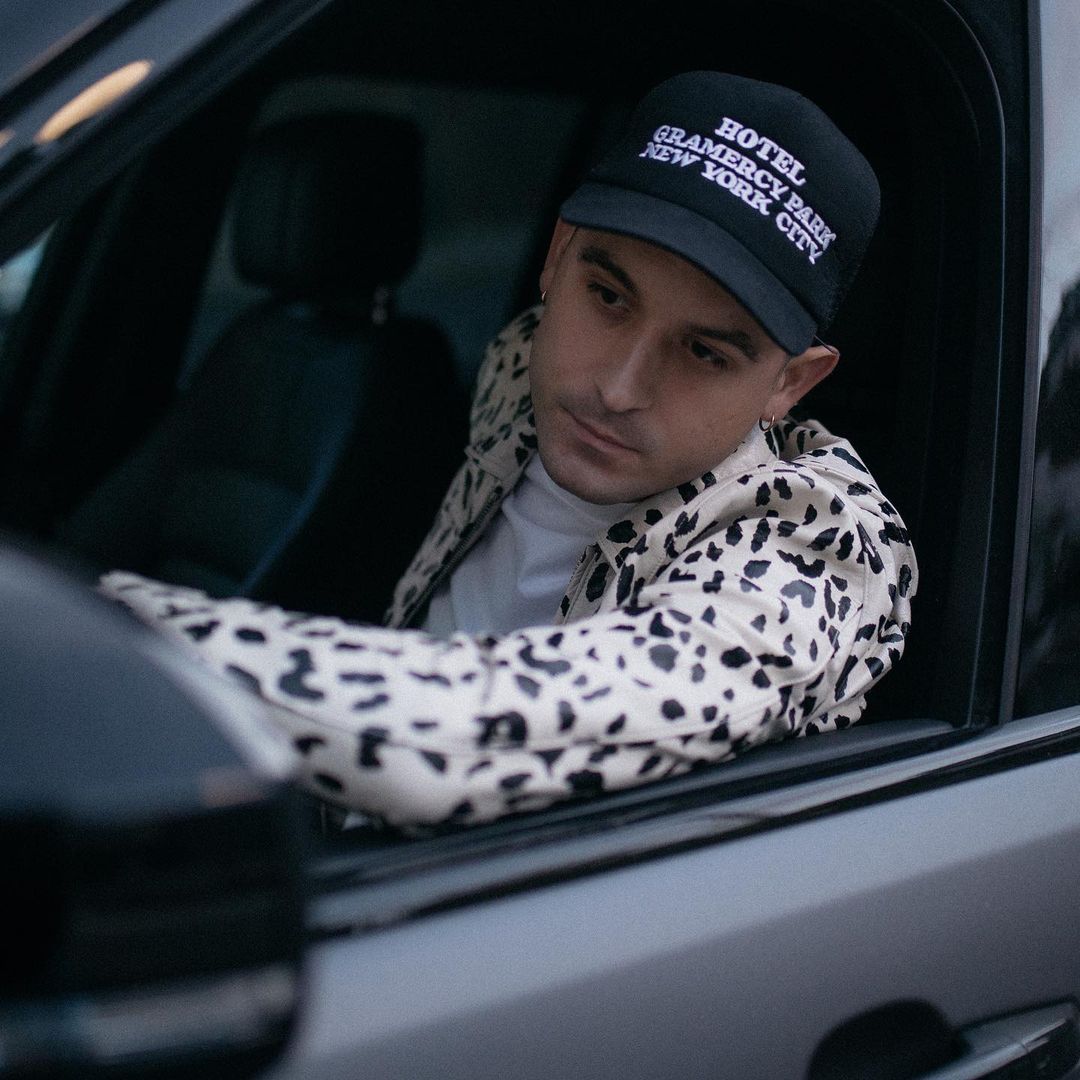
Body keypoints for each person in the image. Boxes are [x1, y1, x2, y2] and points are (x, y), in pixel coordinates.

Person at [100, 71, 917, 828]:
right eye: (607, 297)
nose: (619, 388)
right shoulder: (520, 368)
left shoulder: (814, 555)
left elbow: (471, 735)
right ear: (558, 256)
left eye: (705, 353)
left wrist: (93, 636)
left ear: (792, 385)